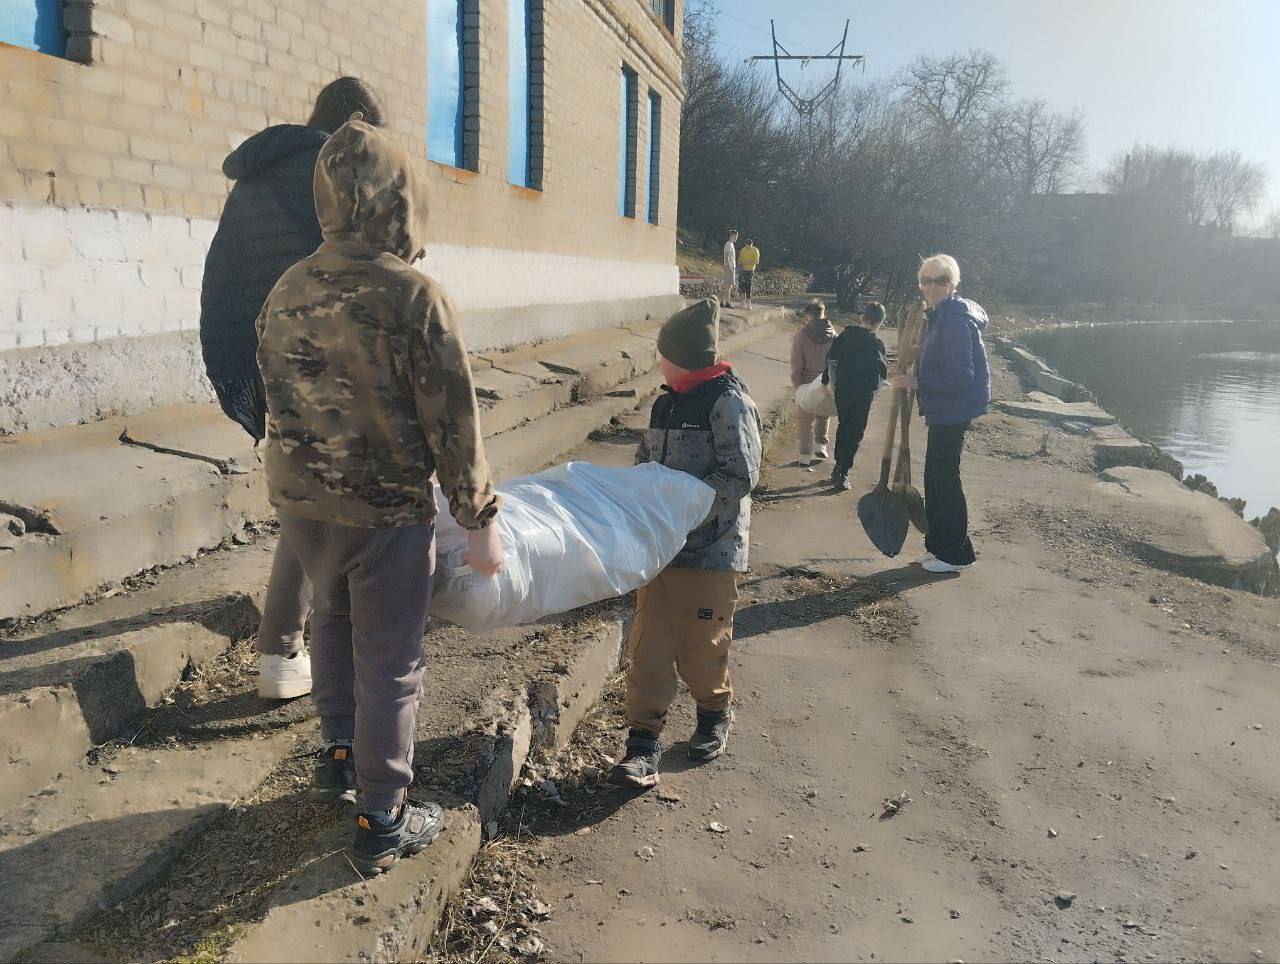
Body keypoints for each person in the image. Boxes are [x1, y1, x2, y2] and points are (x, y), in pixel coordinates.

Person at [257, 114, 503, 872]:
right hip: (384, 510)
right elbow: (452, 420)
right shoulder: (413, 296)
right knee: (391, 661)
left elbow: (275, 396)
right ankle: (383, 817)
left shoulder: (288, 286)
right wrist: (480, 522)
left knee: (330, 620)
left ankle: (338, 752)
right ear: (402, 201)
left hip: (302, 503)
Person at [199, 77, 387, 700]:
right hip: (308, 354)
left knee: (307, 493)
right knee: (317, 501)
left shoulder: (263, 169)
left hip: (249, 351)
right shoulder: (330, 170)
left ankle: (292, 639)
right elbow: (356, 268)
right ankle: (283, 647)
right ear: (355, 120)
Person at [608, 298, 763, 789]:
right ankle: (641, 744)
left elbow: (740, 475)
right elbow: (646, 461)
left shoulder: (727, 403)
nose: (659, 362)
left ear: (681, 357)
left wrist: (685, 512)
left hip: (711, 551)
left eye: (663, 354)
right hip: (660, 548)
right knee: (648, 646)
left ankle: (714, 713)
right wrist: (636, 504)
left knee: (701, 645)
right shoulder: (665, 402)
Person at [891, 254, 990, 574]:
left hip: (954, 409)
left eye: (941, 280)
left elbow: (961, 376)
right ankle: (939, 546)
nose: (932, 286)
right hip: (945, 409)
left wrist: (918, 381)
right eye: (926, 280)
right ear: (921, 284)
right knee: (935, 479)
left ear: (953, 283)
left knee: (944, 481)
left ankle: (956, 554)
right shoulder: (940, 315)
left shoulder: (955, 320)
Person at [824, 302, 888, 492]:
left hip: (842, 390)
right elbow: (881, 370)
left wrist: (826, 382)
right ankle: (843, 471)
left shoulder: (844, 336)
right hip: (862, 394)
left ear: (862, 317)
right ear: (879, 323)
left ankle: (838, 466)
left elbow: (831, 360)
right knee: (855, 432)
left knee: (844, 426)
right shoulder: (876, 344)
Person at [790, 299, 835, 467]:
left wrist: (797, 384)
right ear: (823, 313)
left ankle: (805, 454)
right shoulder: (833, 334)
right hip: (826, 379)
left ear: (808, 315)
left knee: (805, 418)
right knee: (823, 412)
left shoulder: (802, 334)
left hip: (807, 380)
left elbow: (797, 362)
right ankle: (821, 444)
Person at [738, 238, 761, 309]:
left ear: (752, 244)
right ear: (745, 244)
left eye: (750, 245)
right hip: (742, 270)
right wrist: (740, 263)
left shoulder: (755, 250)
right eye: (747, 245)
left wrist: (748, 262)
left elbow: (757, 261)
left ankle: (749, 305)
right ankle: (742, 304)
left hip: (750, 270)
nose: (748, 246)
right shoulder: (743, 249)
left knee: (748, 286)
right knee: (742, 286)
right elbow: (740, 259)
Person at [720, 230, 738, 308]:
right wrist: (729, 267)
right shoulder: (728, 244)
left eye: (736, 237)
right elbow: (726, 256)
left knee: (727, 285)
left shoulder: (731, 244)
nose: (736, 238)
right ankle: (727, 302)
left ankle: (722, 301)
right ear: (731, 236)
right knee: (728, 285)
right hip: (729, 266)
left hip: (731, 266)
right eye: (735, 236)